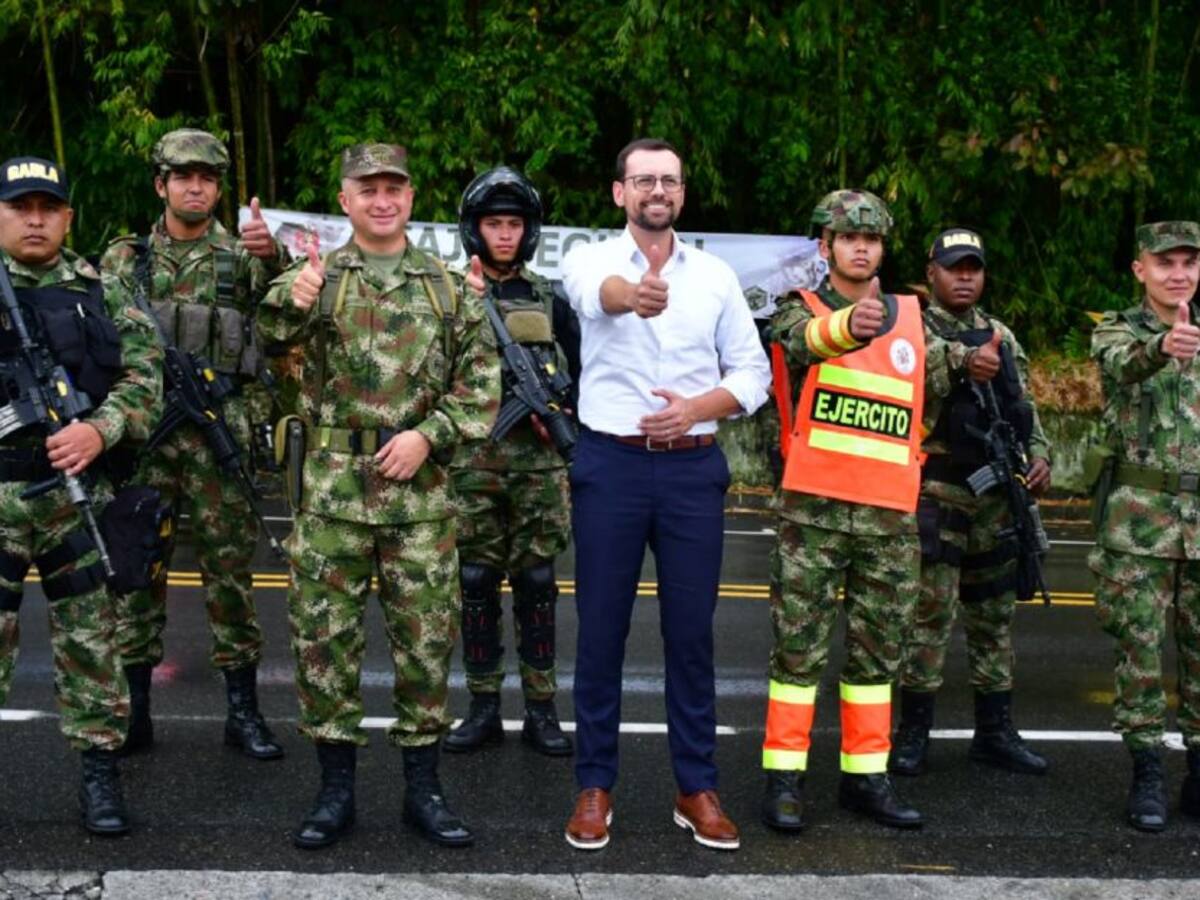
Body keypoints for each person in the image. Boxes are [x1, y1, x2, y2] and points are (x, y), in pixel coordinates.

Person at [258, 142, 500, 849]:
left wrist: (429, 435)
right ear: (345, 200)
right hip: (330, 500)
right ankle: (335, 790)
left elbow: (481, 387)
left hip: (418, 503)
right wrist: (292, 302)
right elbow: (267, 339)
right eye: (367, 189)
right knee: (324, 646)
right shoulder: (317, 278)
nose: (382, 200)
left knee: (426, 647)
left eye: (393, 187)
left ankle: (424, 789)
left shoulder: (449, 289)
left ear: (411, 197)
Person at [560, 138, 771, 852]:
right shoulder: (589, 258)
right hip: (609, 467)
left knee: (690, 636)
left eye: (669, 181)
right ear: (619, 192)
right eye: (644, 179)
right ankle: (595, 787)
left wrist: (695, 409)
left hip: (691, 469)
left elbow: (752, 375)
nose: (658, 190)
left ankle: (696, 788)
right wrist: (634, 296)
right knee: (601, 632)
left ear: (682, 192)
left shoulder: (714, 277)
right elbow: (595, 295)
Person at [760, 189, 959, 833]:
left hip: (889, 518)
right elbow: (800, 342)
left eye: (871, 239)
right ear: (826, 247)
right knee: (798, 654)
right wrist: (848, 327)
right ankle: (784, 780)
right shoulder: (801, 308)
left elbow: (940, 377)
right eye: (849, 237)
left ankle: (866, 779)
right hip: (812, 517)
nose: (862, 248)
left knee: (878, 659)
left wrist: (980, 360)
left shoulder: (915, 318)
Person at [100, 128, 286, 760]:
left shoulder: (244, 258)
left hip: (218, 441)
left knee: (230, 578)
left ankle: (244, 714)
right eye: (184, 176)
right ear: (162, 185)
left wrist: (275, 257)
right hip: (144, 442)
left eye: (207, 178)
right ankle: (134, 713)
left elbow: (287, 319)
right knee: (137, 572)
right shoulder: (126, 260)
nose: (196, 187)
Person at [0, 156, 161, 833]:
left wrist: (100, 430)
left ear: (68, 217)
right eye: (20, 207)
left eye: (48, 208)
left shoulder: (105, 289)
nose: (35, 220)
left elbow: (146, 379)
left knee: (93, 643)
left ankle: (100, 776)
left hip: (77, 495)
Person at [889, 228, 1051, 778]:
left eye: (973, 268)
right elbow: (906, 375)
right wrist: (960, 361)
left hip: (994, 498)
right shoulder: (909, 325)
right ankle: (913, 733)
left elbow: (1024, 403)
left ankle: (995, 731)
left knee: (994, 617)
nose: (964, 277)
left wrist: (1039, 455)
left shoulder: (1000, 334)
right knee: (929, 616)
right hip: (934, 491)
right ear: (931, 272)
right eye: (954, 267)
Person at [442, 166, 575, 758]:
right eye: (493, 223)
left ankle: (542, 709)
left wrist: (559, 413)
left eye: (513, 224)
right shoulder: (450, 295)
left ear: (529, 232)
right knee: (474, 583)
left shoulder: (550, 297)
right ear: (475, 230)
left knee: (537, 584)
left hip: (538, 468)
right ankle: (483, 706)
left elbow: (579, 371)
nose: (504, 234)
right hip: (472, 465)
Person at [1089, 220, 1200, 832]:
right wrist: (1164, 347)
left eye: (1188, 262)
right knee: (1140, 654)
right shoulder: (1117, 329)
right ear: (1141, 269)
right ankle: (1147, 773)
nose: (1178, 274)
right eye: (1165, 263)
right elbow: (1121, 366)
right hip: (1140, 523)